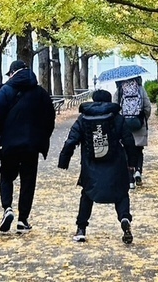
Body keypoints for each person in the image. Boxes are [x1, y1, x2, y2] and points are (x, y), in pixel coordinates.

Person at [58, 89, 136, 245]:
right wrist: (132, 163)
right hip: (116, 163)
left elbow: (71, 140)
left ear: (93, 100)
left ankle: (81, 229)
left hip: (90, 164)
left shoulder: (83, 118)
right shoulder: (117, 118)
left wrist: (64, 160)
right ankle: (124, 217)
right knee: (121, 192)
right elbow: (129, 141)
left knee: (87, 194)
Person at [0, 59, 56, 234]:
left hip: (9, 145)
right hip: (31, 146)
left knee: (6, 176)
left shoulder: (5, 91)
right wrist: (42, 139)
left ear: (12, 73)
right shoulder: (40, 93)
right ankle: (23, 220)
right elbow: (50, 118)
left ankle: (7, 208)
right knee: (28, 181)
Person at [114, 75, 152, 188]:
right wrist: (143, 119)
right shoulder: (140, 88)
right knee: (138, 150)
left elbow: (114, 106)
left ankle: (130, 181)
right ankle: (138, 171)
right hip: (138, 123)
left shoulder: (120, 89)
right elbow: (147, 107)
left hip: (124, 124)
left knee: (126, 151)